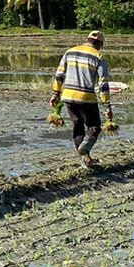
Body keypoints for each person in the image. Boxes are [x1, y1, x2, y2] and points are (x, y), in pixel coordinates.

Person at [50, 30, 113, 169]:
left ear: (87, 40)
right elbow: (103, 84)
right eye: (101, 44)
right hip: (86, 97)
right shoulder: (99, 57)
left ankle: (85, 159)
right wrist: (107, 106)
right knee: (94, 127)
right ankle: (84, 150)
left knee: (78, 126)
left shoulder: (70, 52)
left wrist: (56, 94)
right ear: (98, 43)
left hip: (68, 96)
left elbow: (59, 74)